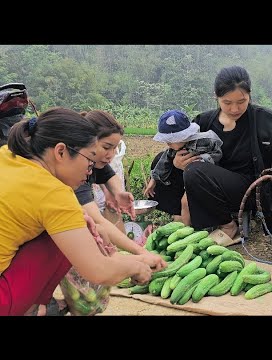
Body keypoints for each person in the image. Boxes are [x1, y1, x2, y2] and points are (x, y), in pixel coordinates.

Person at [0, 107, 154, 316]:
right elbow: (98, 271)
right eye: (89, 160)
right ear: (61, 151)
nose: (90, 171)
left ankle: (38, 306)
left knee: (72, 228)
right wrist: (136, 266)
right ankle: (32, 309)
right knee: (70, 236)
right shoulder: (54, 193)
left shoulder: (8, 155)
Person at [148, 65, 272, 241]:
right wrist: (177, 164)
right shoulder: (204, 121)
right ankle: (180, 218)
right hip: (206, 184)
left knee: (195, 170)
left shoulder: (262, 119)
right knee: (162, 161)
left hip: (246, 188)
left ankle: (227, 225)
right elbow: (178, 147)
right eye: (227, 102)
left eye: (242, 102)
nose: (235, 109)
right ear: (216, 97)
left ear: (249, 95)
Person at [76, 110, 167, 269]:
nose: (111, 155)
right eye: (106, 147)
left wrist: (118, 193)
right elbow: (97, 220)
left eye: (115, 149)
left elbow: (109, 176)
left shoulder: (94, 161)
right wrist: (141, 253)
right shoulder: (77, 171)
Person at [144, 109, 223, 225]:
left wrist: (201, 161)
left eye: (170, 141)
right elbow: (163, 162)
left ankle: (186, 231)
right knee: (184, 202)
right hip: (187, 180)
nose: (168, 144)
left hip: (204, 181)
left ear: (183, 136)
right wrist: (154, 179)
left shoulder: (203, 143)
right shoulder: (174, 149)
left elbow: (217, 154)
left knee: (186, 203)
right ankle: (180, 223)